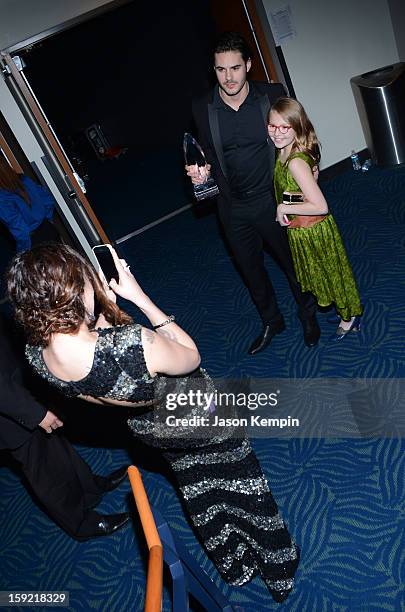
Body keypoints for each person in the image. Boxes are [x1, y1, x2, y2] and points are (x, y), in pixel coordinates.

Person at [7, 243, 300, 603]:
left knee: (199, 488)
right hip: (200, 419)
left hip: (151, 430)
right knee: (244, 486)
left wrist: (97, 312)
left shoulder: (37, 356)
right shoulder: (133, 344)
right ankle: (277, 568)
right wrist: (141, 298)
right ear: (73, 291)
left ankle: (234, 564)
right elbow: (191, 357)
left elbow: (101, 360)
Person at [186, 31, 320, 354]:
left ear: (248, 64)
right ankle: (272, 320)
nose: (228, 77)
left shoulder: (271, 95)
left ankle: (308, 314)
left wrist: (308, 178)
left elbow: (302, 137)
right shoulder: (202, 107)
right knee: (251, 271)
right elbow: (206, 151)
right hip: (232, 208)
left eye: (235, 68)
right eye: (221, 70)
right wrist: (198, 171)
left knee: (293, 264)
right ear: (213, 70)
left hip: (274, 201)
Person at [0, 312, 130, 541]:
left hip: (16, 383)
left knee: (56, 445)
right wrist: (34, 412)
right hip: (9, 413)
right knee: (45, 471)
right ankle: (81, 523)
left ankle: (89, 487)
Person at [269, 97, 362, 340]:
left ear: (297, 127)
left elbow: (320, 205)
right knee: (325, 276)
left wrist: (282, 207)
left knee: (331, 276)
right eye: (272, 126)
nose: (277, 133)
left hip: (314, 232)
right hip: (303, 231)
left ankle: (349, 317)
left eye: (284, 127)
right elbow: (302, 193)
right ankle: (346, 312)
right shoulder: (284, 150)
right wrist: (291, 200)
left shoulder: (295, 163)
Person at [0, 156, 60, 252]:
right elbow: (47, 199)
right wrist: (47, 220)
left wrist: (23, 252)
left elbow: (20, 229)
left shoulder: (2, 197)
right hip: (48, 229)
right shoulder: (23, 179)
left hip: (34, 241)